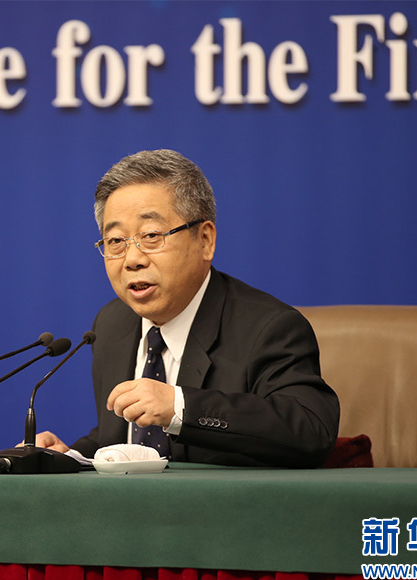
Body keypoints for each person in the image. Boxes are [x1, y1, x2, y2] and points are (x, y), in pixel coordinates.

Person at [36, 149, 339, 468]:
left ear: (205, 240)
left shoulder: (270, 328)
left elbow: (311, 431)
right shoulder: (112, 324)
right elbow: (123, 439)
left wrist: (180, 407)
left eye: (151, 235)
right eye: (115, 241)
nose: (132, 259)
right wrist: (70, 456)